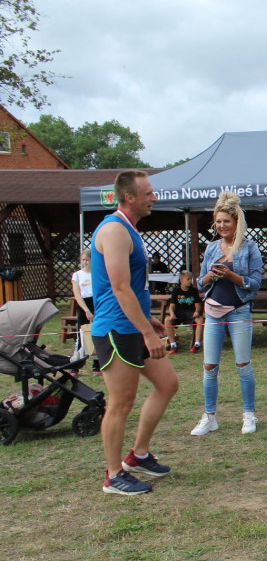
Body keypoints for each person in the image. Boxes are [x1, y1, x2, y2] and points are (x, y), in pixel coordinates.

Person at [90, 170, 178, 495]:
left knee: (168, 385)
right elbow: (120, 288)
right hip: (116, 330)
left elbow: (134, 288)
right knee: (121, 403)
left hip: (134, 326)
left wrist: (148, 320)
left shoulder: (130, 229)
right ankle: (113, 476)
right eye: (149, 193)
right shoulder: (114, 230)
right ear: (130, 197)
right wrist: (148, 332)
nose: (154, 197)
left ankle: (138, 454)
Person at [190, 191, 264, 437]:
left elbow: (255, 283)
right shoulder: (211, 248)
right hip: (213, 313)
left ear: (236, 223)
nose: (221, 226)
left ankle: (249, 415)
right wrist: (210, 276)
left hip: (239, 312)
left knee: (243, 365)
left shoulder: (249, 248)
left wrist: (232, 276)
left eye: (226, 221)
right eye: (218, 221)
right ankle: (210, 417)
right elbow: (200, 284)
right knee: (209, 366)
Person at [70, 248, 102, 376]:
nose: (85, 262)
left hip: (96, 304)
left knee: (97, 335)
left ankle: (97, 366)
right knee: (81, 336)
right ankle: (75, 367)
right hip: (84, 305)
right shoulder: (77, 275)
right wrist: (87, 310)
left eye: (87, 260)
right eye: (83, 260)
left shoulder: (97, 273)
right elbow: (77, 294)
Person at [165, 270, 203, 354]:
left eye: (191, 279)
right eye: (188, 279)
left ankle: (197, 344)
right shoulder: (176, 291)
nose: (190, 281)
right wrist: (172, 313)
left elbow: (198, 305)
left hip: (190, 313)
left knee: (200, 319)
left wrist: (197, 311)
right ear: (181, 280)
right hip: (179, 313)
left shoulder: (193, 291)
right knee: (167, 320)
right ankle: (173, 345)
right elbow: (172, 306)